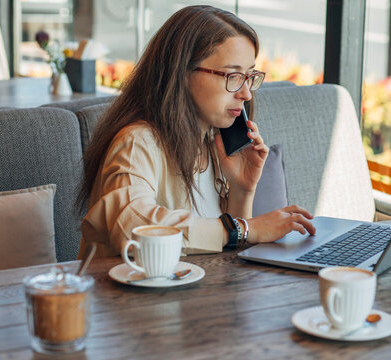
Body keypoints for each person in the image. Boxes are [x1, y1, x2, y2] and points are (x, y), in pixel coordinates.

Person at [76, 5, 315, 259]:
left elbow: (227, 259)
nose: (246, 93)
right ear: (183, 73)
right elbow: (132, 226)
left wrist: (242, 189)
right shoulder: (138, 142)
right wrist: (245, 229)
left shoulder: (213, 142)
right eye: (233, 76)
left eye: (249, 77)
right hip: (132, 298)